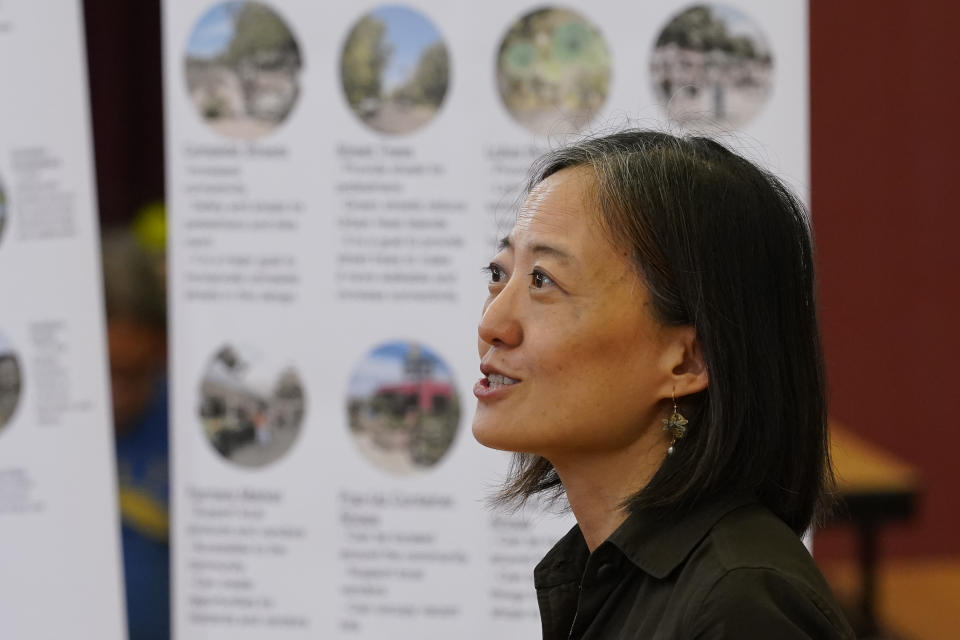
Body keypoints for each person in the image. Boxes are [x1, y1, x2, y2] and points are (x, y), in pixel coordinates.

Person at [472, 130, 854, 639]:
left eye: (543, 280)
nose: (493, 322)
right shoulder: (608, 573)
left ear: (687, 362)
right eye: (499, 274)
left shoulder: (739, 604)